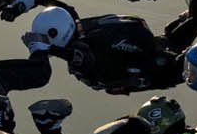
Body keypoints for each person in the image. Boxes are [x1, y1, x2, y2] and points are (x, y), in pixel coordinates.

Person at [20, 7, 185, 96]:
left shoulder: (81, 48)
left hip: (162, 68)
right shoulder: (81, 30)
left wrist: (51, 49)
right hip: (159, 55)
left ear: (56, 33)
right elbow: (65, 10)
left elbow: (83, 58)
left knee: (196, 58)